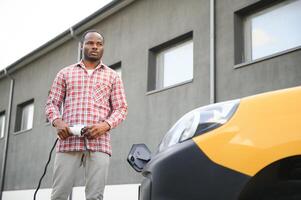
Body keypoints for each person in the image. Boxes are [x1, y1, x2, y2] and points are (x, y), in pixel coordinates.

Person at [45, 30, 128, 200]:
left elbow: (121, 108)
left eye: (99, 44)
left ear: (103, 47)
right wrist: (58, 122)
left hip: (100, 143)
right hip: (68, 141)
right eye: (90, 43)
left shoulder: (113, 76)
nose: (95, 47)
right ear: (82, 45)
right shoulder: (65, 73)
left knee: (95, 197)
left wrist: (105, 126)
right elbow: (52, 103)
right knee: (59, 195)